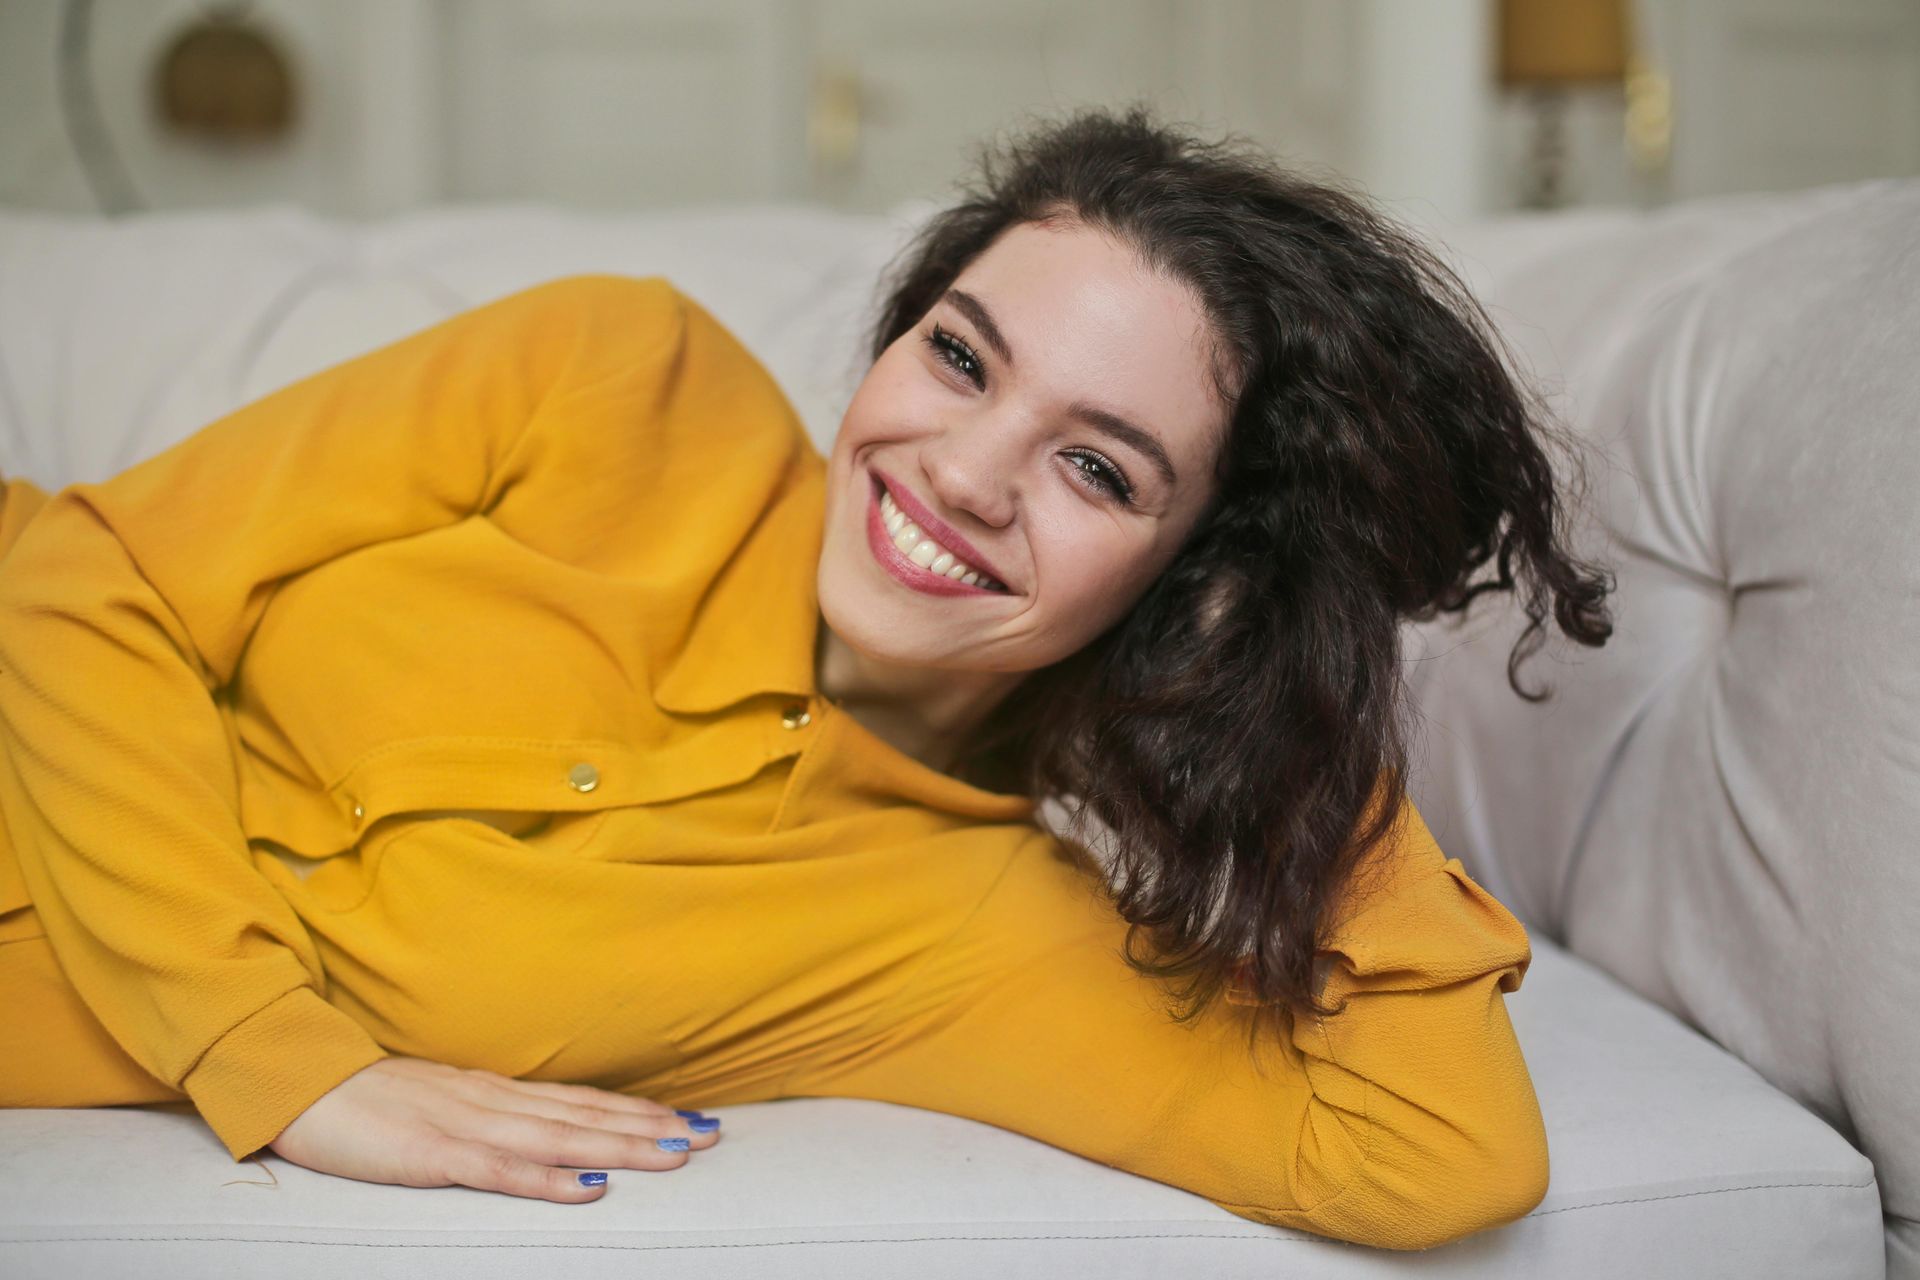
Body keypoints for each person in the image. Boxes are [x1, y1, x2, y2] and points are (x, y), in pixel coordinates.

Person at [0, 103, 1613, 1250]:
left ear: (1198, 580)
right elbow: (82, 576)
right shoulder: (614, 374)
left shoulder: (962, 929)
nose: (965, 472)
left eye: (1100, 472)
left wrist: (1291, 705)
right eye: (960, 356)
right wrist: (281, 1061)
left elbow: (1432, 1154)